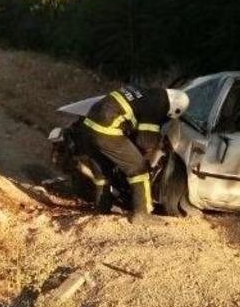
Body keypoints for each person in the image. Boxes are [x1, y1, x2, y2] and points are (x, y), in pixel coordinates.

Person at [80, 85, 189, 224]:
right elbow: (144, 142)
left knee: (102, 172)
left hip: (88, 127)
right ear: (174, 109)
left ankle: (102, 208)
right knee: (139, 170)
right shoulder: (158, 106)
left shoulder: (150, 93)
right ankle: (141, 215)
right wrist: (157, 144)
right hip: (106, 130)